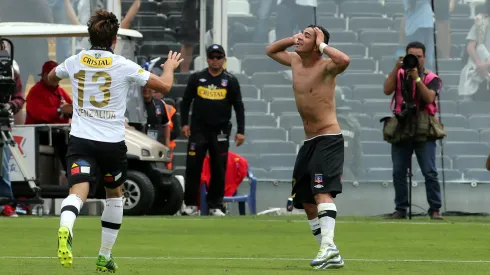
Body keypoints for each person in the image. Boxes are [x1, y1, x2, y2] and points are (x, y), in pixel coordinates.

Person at [47, 10, 183, 271]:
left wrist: (61, 75)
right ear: (114, 40)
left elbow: (53, 77)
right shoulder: (123, 64)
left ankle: (66, 227)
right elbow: (164, 87)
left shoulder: (76, 60)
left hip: (81, 140)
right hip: (111, 143)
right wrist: (169, 67)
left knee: (78, 191)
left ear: (90, 36)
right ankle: (104, 255)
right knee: (114, 195)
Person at [266, 25, 350, 270]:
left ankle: (329, 247)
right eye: (300, 34)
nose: (300, 38)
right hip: (309, 142)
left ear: (318, 44)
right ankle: (329, 251)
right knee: (306, 201)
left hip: (328, 138)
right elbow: (270, 50)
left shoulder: (326, 66)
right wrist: (291, 38)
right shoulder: (293, 61)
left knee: (321, 191)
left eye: (306, 35)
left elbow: (344, 59)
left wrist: (322, 44)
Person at [180, 44, 245, 216]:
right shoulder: (197, 78)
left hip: (221, 131)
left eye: (218, 57)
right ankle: (191, 205)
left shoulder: (230, 81)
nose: (215, 60)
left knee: (218, 167)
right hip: (199, 130)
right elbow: (185, 102)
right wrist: (184, 124)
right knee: (193, 167)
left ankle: (216, 205)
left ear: (224, 59)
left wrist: (241, 131)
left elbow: (238, 106)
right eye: (212, 57)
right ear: (207, 59)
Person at [383, 41, 444, 220]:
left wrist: (417, 78)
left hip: (424, 126)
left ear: (425, 58)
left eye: (418, 56)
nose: (415, 60)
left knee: (429, 171)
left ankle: (435, 209)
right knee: (398, 171)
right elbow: (387, 90)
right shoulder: (400, 74)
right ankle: (401, 208)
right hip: (402, 124)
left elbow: (429, 97)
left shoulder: (432, 78)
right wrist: (396, 68)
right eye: (412, 56)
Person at [25, 60, 73, 173]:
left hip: (56, 132)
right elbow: (38, 114)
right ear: (45, 75)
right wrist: (59, 110)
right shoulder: (35, 91)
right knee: (64, 140)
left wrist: (71, 111)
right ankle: (72, 176)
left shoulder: (61, 92)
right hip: (38, 133)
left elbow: (72, 107)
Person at [0, 42, 25, 217]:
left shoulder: (10, 69)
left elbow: (19, 98)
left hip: (2, 123)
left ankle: (5, 203)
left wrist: (9, 105)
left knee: (3, 165)